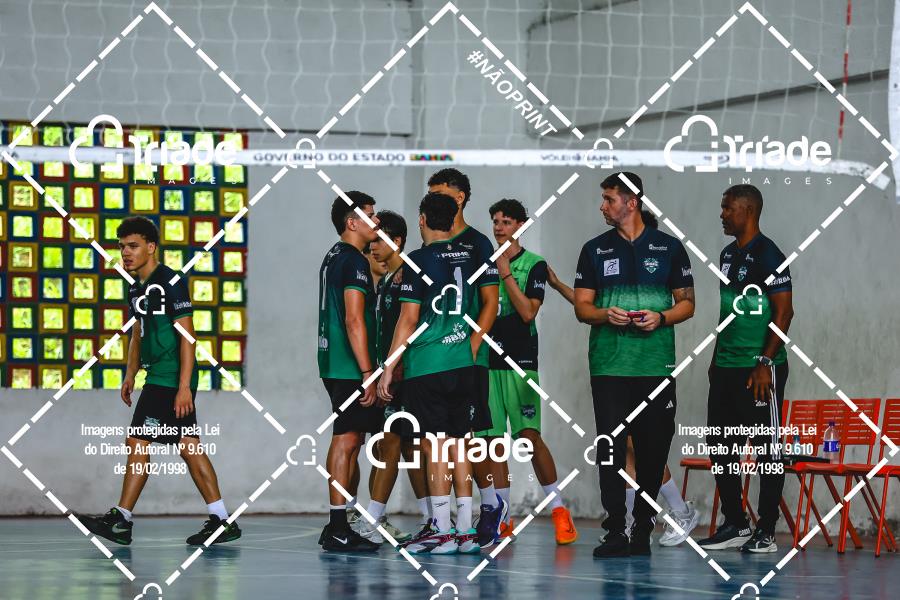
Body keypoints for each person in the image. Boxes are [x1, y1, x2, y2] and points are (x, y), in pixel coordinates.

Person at [77, 216, 241, 546]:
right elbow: (138, 332)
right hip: (156, 376)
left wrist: (184, 387)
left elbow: (188, 337)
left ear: (151, 247)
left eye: (133, 246)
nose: (125, 252)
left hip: (171, 377)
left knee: (137, 441)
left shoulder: (170, 282)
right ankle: (221, 520)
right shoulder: (135, 287)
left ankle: (122, 519)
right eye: (121, 247)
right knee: (189, 447)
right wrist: (130, 373)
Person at [551, 216, 700, 548]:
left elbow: (688, 304)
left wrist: (661, 317)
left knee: (649, 451)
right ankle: (617, 527)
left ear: (631, 203)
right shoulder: (595, 250)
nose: (601, 206)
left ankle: (647, 525)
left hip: (655, 367)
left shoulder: (669, 249)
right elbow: (583, 308)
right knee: (613, 449)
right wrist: (605, 313)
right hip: (609, 368)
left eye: (609, 198)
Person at [377, 192, 479, 554]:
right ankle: (465, 529)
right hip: (462, 361)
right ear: (453, 219)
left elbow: (408, 319)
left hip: (428, 364)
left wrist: (389, 366)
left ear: (422, 220)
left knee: (434, 445)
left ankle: (440, 528)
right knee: (460, 443)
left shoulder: (417, 260)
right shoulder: (468, 256)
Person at [474, 198, 578, 545]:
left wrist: (505, 271)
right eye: (495, 221)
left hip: (521, 362)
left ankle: (559, 511)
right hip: (487, 362)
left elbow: (527, 313)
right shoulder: (483, 264)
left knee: (528, 438)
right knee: (491, 444)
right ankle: (502, 517)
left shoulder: (534, 264)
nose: (499, 228)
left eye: (506, 222)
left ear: (520, 225)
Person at [698, 184, 793, 554]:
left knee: (766, 450)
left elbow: (784, 313)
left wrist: (765, 362)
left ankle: (766, 531)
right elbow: (729, 313)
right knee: (721, 445)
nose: (722, 214)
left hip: (759, 370)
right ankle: (736, 523)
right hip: (726, 366)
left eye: (728, 208)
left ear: (748, 210)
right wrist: (715, 357)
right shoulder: (726, 255)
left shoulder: (771, 255)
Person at [425, 168, 506, 549]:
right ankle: (443, 522)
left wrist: (471, 346)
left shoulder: (478, 243)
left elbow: (490, 302)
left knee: (470, 439)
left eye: (439, 193)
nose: (432, 200)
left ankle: (490, 505)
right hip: (434, 361)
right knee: (439, 443)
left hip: (468, 358)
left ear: (459, 198)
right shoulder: (429, 243)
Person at [353, 210, 426, 544]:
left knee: (393, 443)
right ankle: (431, 517)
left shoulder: (409, 275)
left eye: (379, 238)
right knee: (406, 448)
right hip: (389, 375)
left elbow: (412, 325)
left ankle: (373, 519)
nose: (372, 244)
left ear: (397, 241)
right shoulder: (385, 280)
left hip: (405, 376)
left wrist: (395, 368)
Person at [316, 191, 382, 553]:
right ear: (352, 222)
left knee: (350, 438)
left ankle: (338, 524)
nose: (376, 220)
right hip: (348, 365)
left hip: (335, 361)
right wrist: (368, 370)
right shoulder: (354, 260)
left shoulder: (334, 255)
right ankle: (338, 526)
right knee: (346, 439)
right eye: (369, 215)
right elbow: (354, 320)